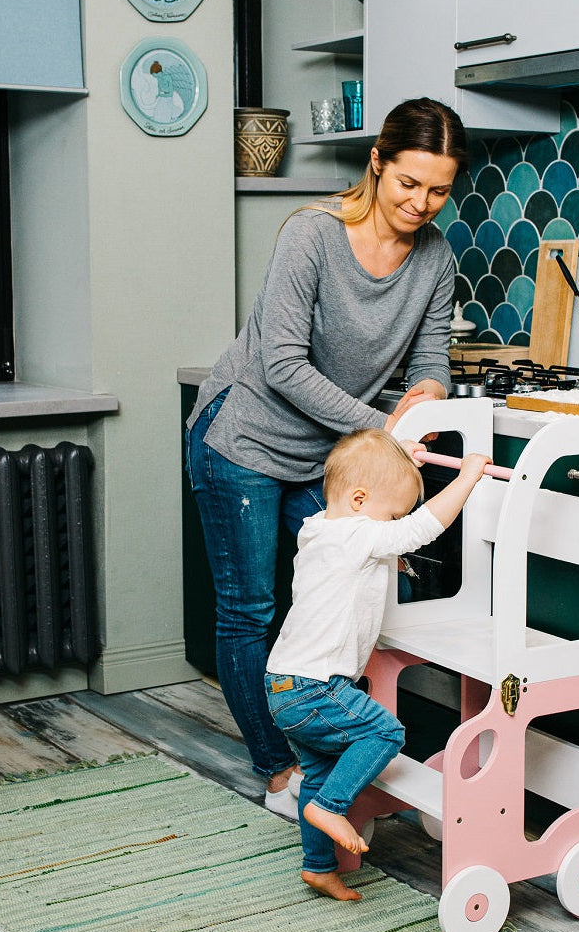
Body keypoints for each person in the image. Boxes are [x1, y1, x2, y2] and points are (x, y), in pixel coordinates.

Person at [184, 97, 468, 820]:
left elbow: (430, 354)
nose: (421, 203)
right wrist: (385, 430)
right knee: (252, 609)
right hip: (243, 437)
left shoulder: (435, 257)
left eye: (439, 190)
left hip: (328, 453)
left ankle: (348, 752)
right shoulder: (311, 234)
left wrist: (426, 393)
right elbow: (280, 364)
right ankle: (280, 773)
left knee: (359, 586)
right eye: (408, 183)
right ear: (377, 162)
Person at [265, 428, 491, 901]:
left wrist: (399, 459)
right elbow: (421, 529)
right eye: (390, 514)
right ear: (360, 498)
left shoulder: (320, 529)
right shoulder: (356, 534)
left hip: (283, 684)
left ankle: (319, 866)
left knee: (323, 769)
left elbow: (380, 501)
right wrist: (467, 477)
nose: (394, 526)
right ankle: (330, 807)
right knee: (385, 733)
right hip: (315, 687)